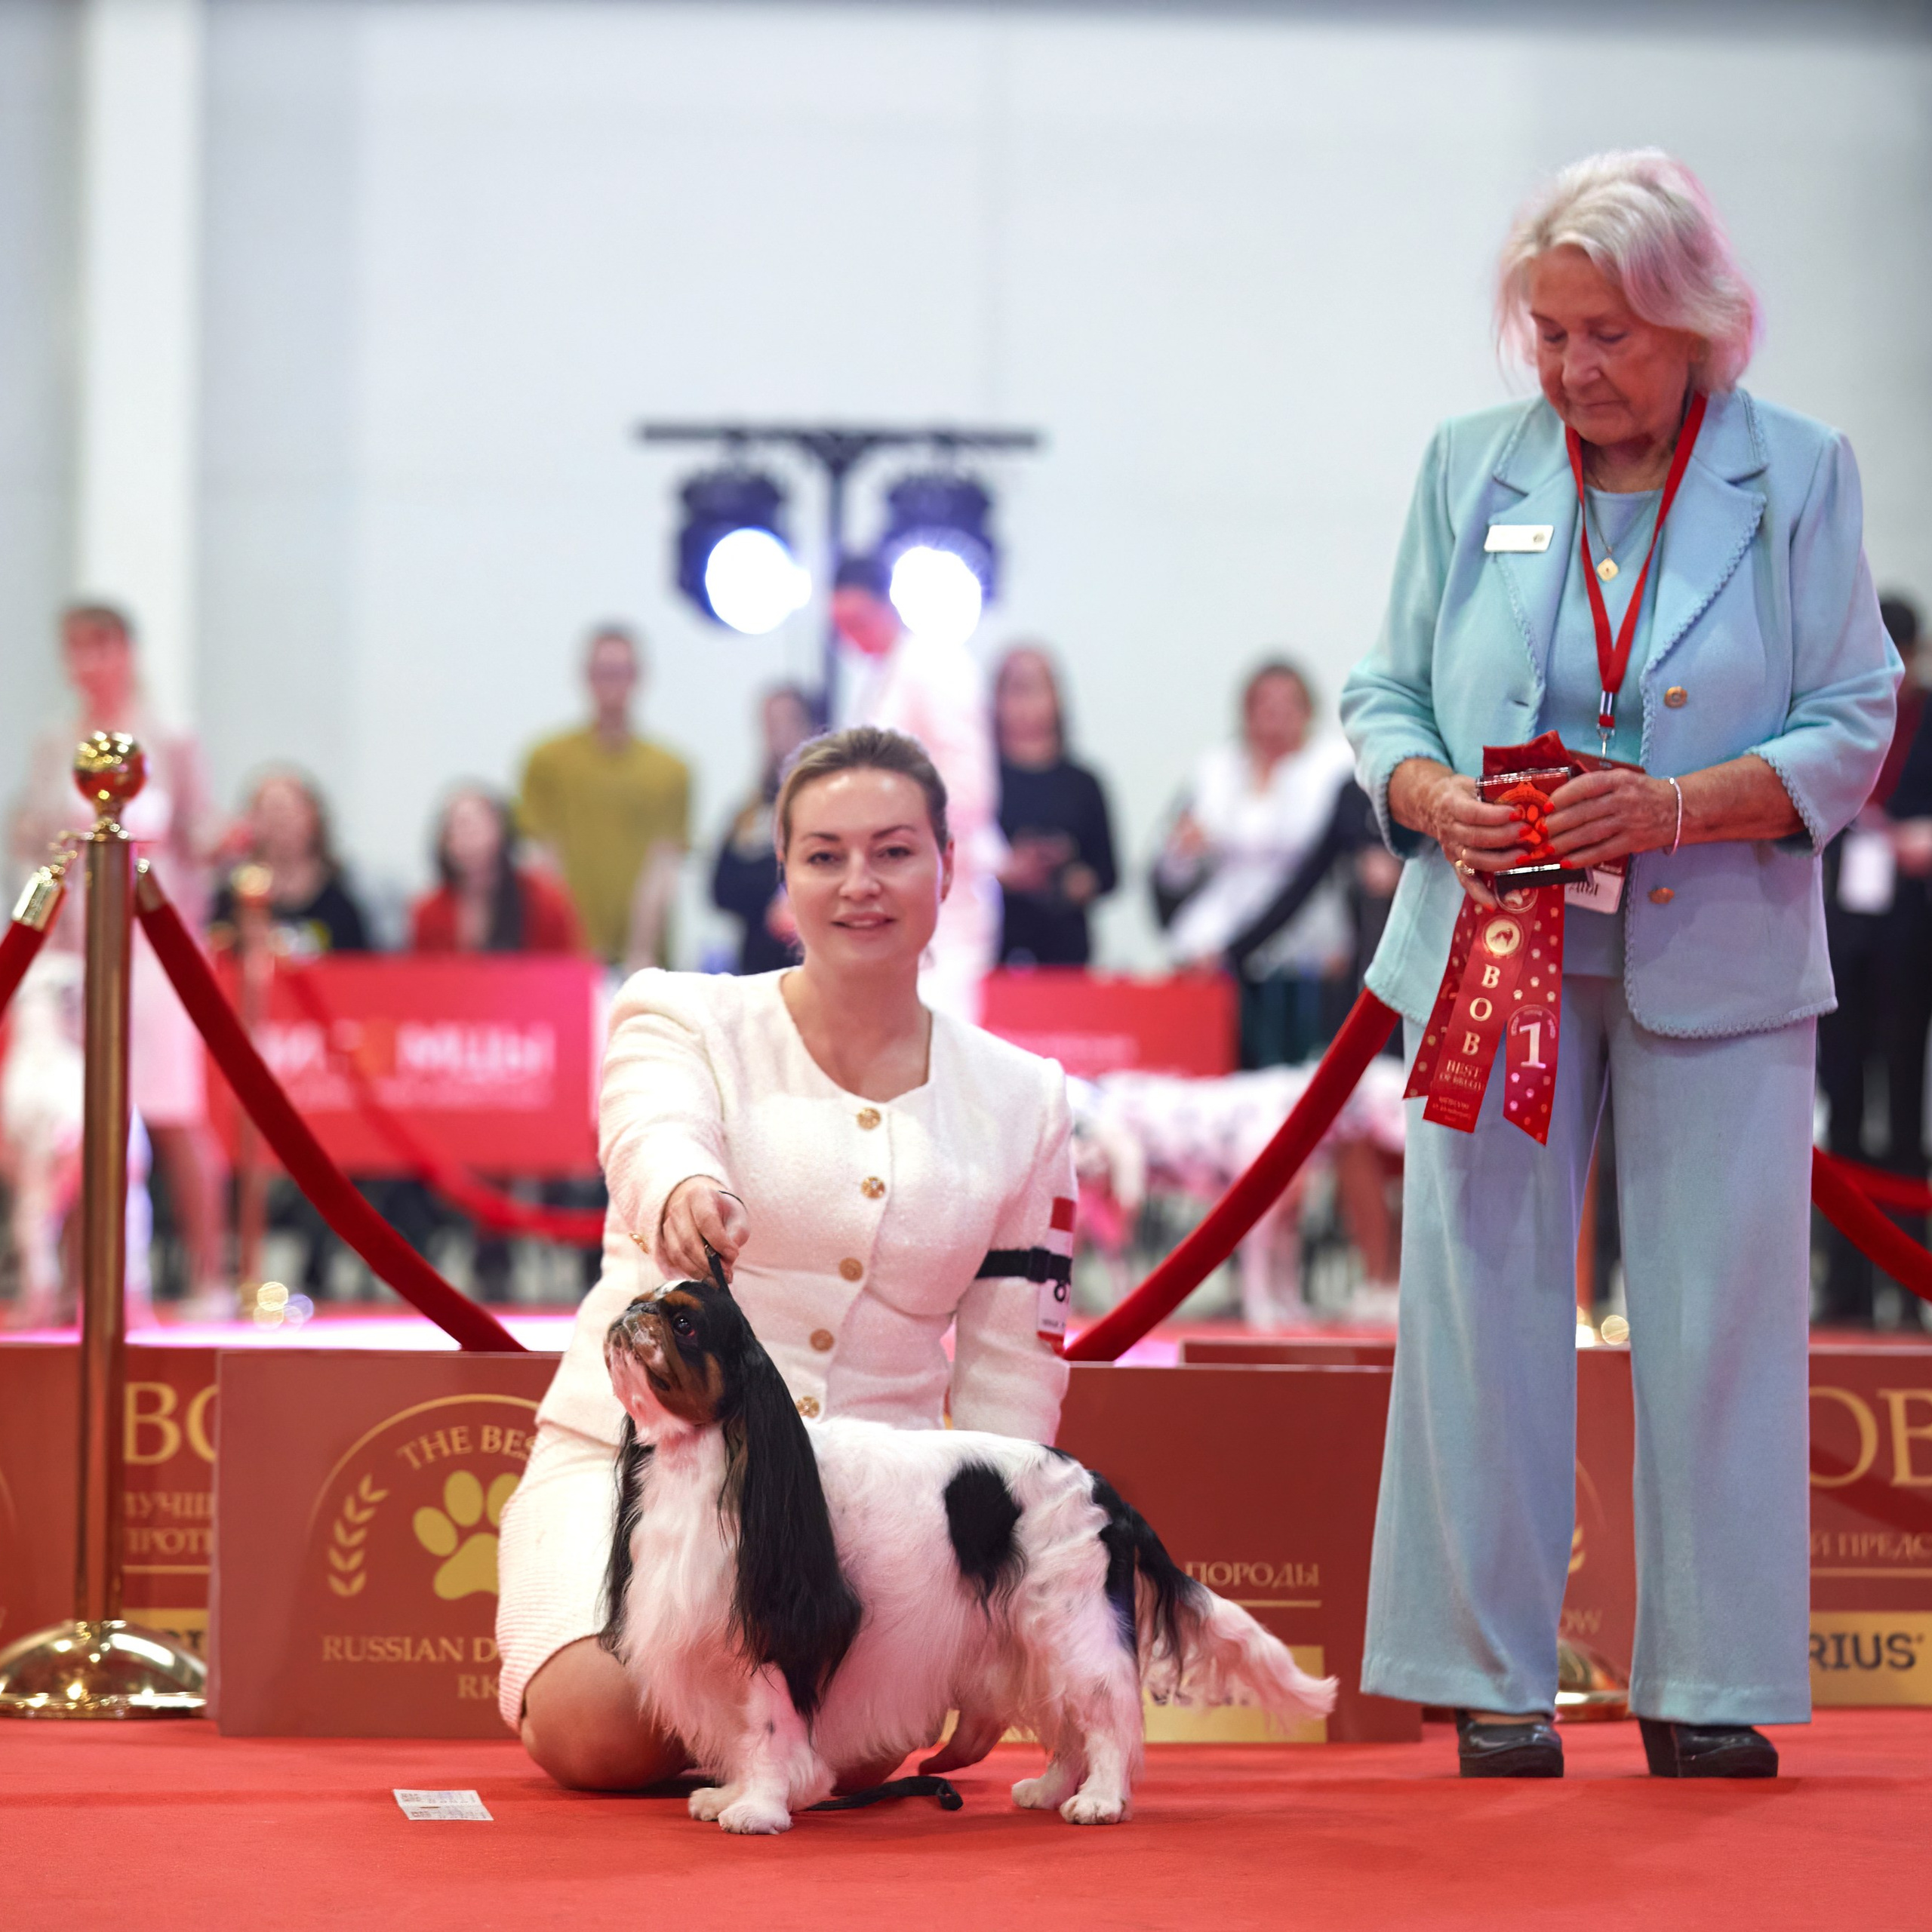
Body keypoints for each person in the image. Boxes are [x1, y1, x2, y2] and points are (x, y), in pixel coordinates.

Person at [1340, 149, 1898, 1779]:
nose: (1574, 370)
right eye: (1548, 333)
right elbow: (1384, 694)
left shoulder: (1796, 475)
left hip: (1714, 945)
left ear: (1696, 325)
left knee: (1721, 1310)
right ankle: (1482, 1669)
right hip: (1488, 941)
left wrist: (1668, 806)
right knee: (1474, 1294)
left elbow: (1850, 719)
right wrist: (1431, 792)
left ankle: (1709, 1677)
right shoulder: (1466, 469)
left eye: (1610, 337)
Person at [496, 725, 1076, 1791]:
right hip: (642, 1458)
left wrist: (995, 1606)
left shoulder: (1026, 1098)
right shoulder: (679, 1011)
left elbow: (1013, 1368)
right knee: (603, 1728)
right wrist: (680, 1191)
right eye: (824, 854)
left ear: (950, 867)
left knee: (840, 1760)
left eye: (895, 851)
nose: (861, 883)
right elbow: (648, 1129)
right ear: (785, 876)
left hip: (869, 1511)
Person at [9, 602, 229, 1314]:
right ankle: (77, 1280)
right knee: (78, 1112)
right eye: (74, 648)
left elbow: (202, 832)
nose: (87, 662)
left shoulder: (170, 737)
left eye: (99, 646)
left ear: (128, 650)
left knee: (171, 1109)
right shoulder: (55, 742)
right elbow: (30, 831)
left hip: (158, 949)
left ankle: (208, 1274)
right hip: (78, 948)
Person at [1816, 593, 1931, 1323]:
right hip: (1841, 937)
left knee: (1905, 1105)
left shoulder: (1926, 717)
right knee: (1846, 1105)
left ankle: (1911, 1285)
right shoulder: (1845, 715)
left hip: (1911, 940)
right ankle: (1847, 1289)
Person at [1155, 660, 1358, 1067]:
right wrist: (1183, 849)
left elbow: (1329, 860)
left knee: (1302, 1060)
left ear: (1308, 711)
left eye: (1288, 704)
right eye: (1264, 704)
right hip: (1227, 922)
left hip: (1308, 925)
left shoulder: (1334, 766)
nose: (1276, 716)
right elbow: (1171, 872)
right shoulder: (1215, 768)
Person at [832, 555, 1001, 1022]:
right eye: (841, 625)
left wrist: (888, 825)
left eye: (858, 620)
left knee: (940, 1037)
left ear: (887, 604)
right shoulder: (878, 677)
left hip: (947, 890)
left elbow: (971, 790)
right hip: (895, 888)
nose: (852, 635)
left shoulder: (936, 664)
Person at [516, 626, 690, 971]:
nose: (611, 683)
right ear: (585, 677)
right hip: (565, 956)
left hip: (643, 958)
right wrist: (566, 943)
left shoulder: (671, 769)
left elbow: (664, 865)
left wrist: (639, 952)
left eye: (621, 672)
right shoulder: (547, 760)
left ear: (638, 678)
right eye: (602, 672)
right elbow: (543, 861)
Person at [992, 645, 1118, 967]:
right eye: (1015, 688)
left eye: (1035, 687)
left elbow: (1109, 873)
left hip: (1066, 952)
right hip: (994, 946)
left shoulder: (1083, 783)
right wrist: (1006, 870)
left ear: (1057, 697)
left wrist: (1068, 878)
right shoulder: (978, 780)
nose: (1025, 702)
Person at [709, 684, 814, 974]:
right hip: (755, 968)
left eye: (787, 722)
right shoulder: (748, 814)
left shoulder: (829, 809)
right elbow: (720, 890)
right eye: (769, 724)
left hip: (810, 965)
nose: (777, 735)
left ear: (810, 727)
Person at [209, 771, 371, 956]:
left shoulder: (341, 905)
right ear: (250, 821)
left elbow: (360, 969)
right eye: (269, 810)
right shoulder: (229, 902)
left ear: (314, 818)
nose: (280, 819)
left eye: (290, 810)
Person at [410, 786, 583, 955]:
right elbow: (424, 975)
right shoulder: (428, 914)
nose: (466, 840)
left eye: (475, 828)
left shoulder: (544, 902)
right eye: (455, 829)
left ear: (502, 832)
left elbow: (563, 970)